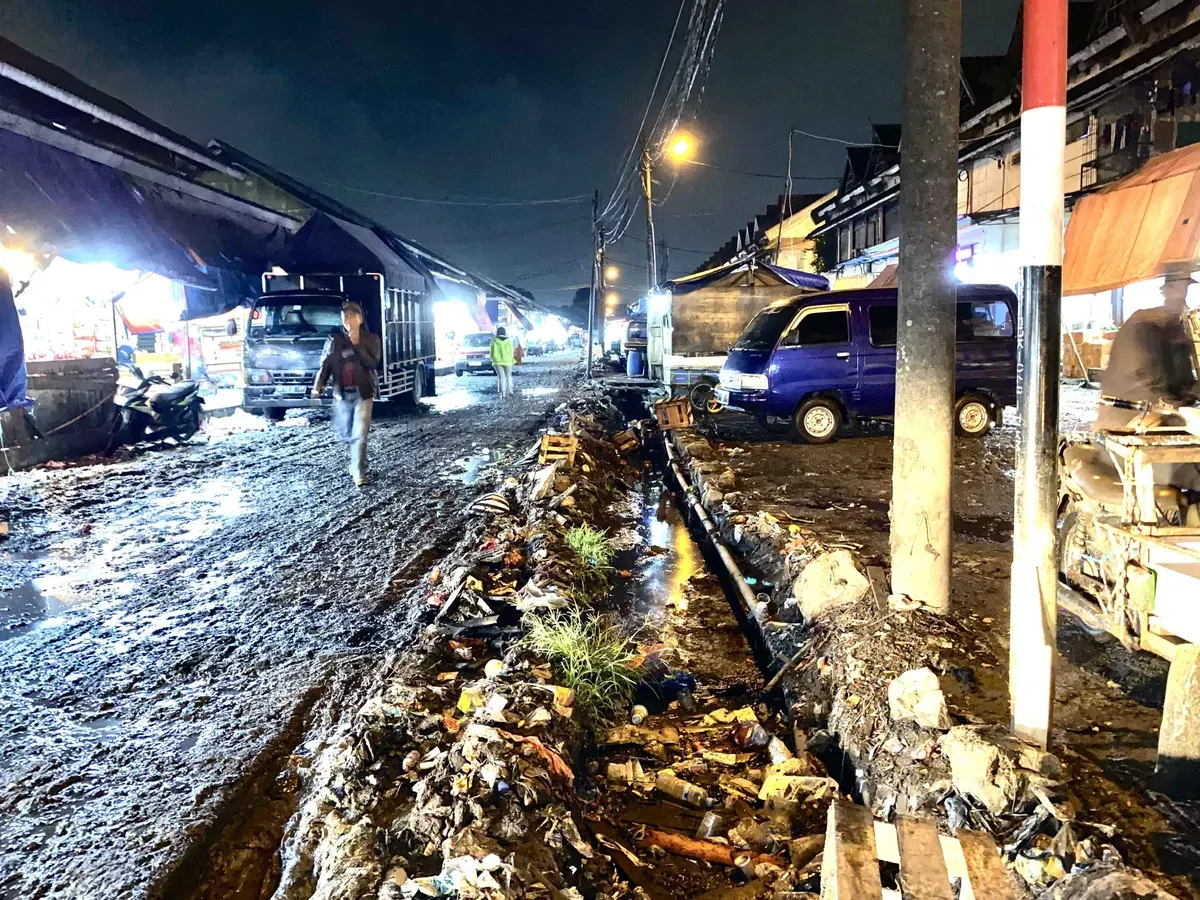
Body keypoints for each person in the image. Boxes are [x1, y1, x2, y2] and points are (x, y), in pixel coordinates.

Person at [1095, 271, 1200, 489]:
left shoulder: (1177, 330)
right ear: (1165, 290)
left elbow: (1186, 385)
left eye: (1185, 289)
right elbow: (1145, 386)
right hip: (1132, 421)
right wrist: (1177, 408)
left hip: (1165, 418)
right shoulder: (1142, 326)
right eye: (1176, 288)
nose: (1181, 297)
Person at [313, 301, 381, 487]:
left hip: (363, 393)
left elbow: (373, 363)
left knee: (359, 434)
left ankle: (359, 472)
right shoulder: (334, 341)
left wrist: (357, 344)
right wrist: (317, 386)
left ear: (359, 319)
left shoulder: (371, 339)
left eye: (351, 317)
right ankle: (356, 462)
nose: (347, 321)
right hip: (342, 394)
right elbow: (325, 365)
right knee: (346, 433)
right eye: (345, 318)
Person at [490, 326, 515, 398]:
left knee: (501, 377)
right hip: (508, 361)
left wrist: (492, 358)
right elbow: (511, 350)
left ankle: (503, 393)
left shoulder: (494, 340)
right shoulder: (509, 340)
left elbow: (491, 351)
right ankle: (510, 391)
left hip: (497, 361)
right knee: (508, 376)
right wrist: (511, 358)